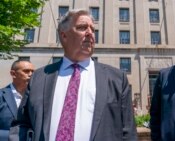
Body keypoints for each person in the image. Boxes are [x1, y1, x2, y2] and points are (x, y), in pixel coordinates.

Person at [9, 9, 137, 141]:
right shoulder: (39, 77)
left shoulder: (116, 79)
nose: (90, 33)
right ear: (64, 36)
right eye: (82, 28)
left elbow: (128, 132)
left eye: (92, 29)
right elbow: (21, 124)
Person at [0, 59, 34, 141]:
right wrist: (10, 136)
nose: (30, 74)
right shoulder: (1, 95)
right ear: (13, 74)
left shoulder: (37, 97)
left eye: (33, 72)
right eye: (26, 71)